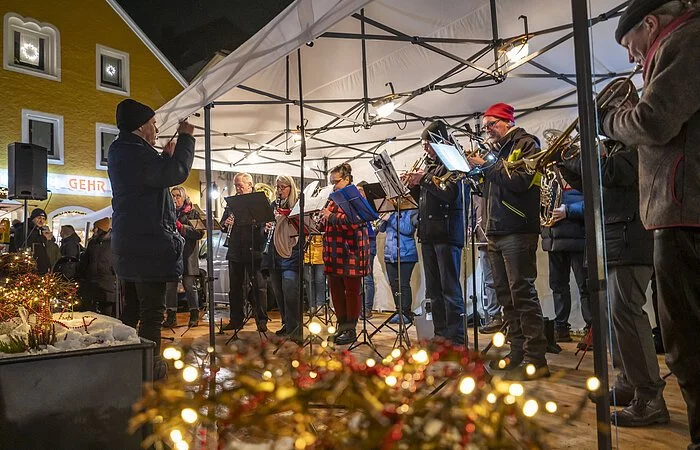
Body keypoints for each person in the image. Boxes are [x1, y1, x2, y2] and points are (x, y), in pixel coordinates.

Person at [601, 0, 699, 440]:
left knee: (686, 339)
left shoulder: (685, 40)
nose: (629, 56)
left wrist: (608, 122)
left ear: (651, 23)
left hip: (684, 211)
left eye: (629, 42)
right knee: (680, 335)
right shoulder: (679, 43)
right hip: (676, 211)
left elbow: (653, 121)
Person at [560, 137, 668, 427]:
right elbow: (593, 185)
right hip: (612, 238)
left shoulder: (636, 143)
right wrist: (564, 162)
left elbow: (611, 172)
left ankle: (650, 396)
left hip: (631, 237)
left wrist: (581, 156)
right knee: (613, 315)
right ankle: (627, 383)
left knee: (627, 314)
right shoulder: (615, 148)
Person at [108, 98, 195, 380]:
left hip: (132, 245)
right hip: (147, 246)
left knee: (133, 310)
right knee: (152, 313)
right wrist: (185, 139)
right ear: (142, 126)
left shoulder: (124, 150)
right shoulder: (134, 153)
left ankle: (126, 366)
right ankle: (149, 370)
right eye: (154, 124)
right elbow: (175, 174)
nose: (156, 129)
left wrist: (165, 157)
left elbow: (153, 180)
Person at [467, 103, 549, 379]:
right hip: (496, 230)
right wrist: (476, 175)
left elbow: (522, 181)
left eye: (491, 124)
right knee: (505, 296)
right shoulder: (495, 151)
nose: (487, 130)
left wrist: (487, 167)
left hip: (518, 228)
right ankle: (517, 352)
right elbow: (496, 184)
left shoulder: (527, 144)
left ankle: (536, 359)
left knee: (522, 293)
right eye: (485, 125)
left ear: (506, 121)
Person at [405, 121, 467, 345]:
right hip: (429, 234)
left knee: (450, 290)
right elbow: (424, 200)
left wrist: (424, 179)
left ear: (440, 141)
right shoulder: (430, 166)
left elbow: (450, 193)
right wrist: (413, 185)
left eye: (428, 144)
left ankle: (457, 340)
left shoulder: (452, 161)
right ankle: (441, 336)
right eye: (423, 145)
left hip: (447, 234)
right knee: (433, 291)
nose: (425, 149)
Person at [319, 163, 370, 345]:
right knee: (336, 291)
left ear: (347, 179)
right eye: (332, 182)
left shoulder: (355, 196)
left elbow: (355, 221)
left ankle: (351, 329)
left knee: (351, 292)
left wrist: (330, 217)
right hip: (333, 252)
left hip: (351, 252)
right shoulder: (333, 198)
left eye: (336, 181)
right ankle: (341, 326)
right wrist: (320, 220)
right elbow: (326, 221)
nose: (333, 185)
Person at [539, 172, 591, 342]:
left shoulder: (579, 168)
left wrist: (568, 210)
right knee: (557, 285)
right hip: (554, 236)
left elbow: (593, 200)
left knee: (585, 285)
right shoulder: (549, 172)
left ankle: (592, 330)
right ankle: (561, 327)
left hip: (578, 235)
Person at [221, 172, 268, 332]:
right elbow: (222, 224)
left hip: (254, 249)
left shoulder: (258, 202)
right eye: (236, 186)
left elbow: (265, 223)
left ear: (250, 185)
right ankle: (236, 319)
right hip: (235, 249)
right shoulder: (231, 203)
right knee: (235, 287)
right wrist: (226, 223)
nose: (238, 189)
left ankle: (261, 320)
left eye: (240, 185)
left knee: (258, 286)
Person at [263, 175, 301, 341]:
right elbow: (264, 227)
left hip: (291, 254)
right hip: (274, 255)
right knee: (279, 293)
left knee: (290, 291)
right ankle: (286, 324)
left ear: (291, 188)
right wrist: (266, 226)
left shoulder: (297, 205)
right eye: (278, 187)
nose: (279, 191)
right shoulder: (273, 205)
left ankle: (295, 328)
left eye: (283, 187)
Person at [164, 186, 204, 328]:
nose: (175, 199)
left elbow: (199, 233)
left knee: (189, 285)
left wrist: (182, 227)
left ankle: (194, 314)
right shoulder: (168, 212)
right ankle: (171, 316)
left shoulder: (193, 212)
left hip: (187, 255)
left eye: (177, 196)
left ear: (184, 197)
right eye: (173, 196)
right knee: (170, 286)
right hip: (172, 255)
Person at [376, 208, 419, 324]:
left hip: (406, 253)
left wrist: (390, 218)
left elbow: (408, 229)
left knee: (403, 284)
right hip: (390, 254)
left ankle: (406, 312)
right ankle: (398, 310)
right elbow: (381, 229)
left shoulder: (412, 211)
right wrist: (383, 219)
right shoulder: (391, 212)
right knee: (394, 285)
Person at [471, 196, 502, 334]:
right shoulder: (475, 193)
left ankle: (511, 319)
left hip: (499, 236)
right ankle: (494, 317)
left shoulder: (493, 187)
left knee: (505, 282)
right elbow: (472, 212)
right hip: (483, 240)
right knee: (489, 282)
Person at [81, 218, 117, 317]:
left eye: (95, 228)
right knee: (91, 313)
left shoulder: (113, 243)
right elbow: (86, 261)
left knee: (107, 312)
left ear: (101, 229)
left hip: (107, 283)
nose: (94, 230)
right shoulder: (92, 243)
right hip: (92, 282)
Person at [11, 208, 50, 274]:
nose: (41, 221)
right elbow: (24, 244)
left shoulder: (40, 230)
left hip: (41, 268)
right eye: (39, 218)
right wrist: (43, 238)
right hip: (28, 267)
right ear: (33, 218)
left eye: (43, 219)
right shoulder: (23, 229)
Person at [303, 234, 326, 314]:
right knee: (309, 281)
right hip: (307, 254)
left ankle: (320, 305)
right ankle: (312, 305)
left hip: (321, 255)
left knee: (320, 281)